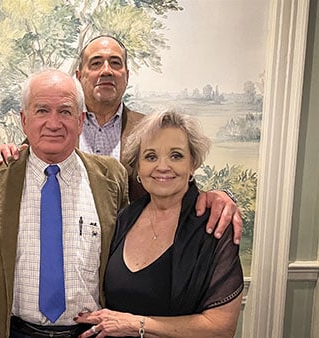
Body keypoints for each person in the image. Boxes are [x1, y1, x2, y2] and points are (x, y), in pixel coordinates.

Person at [0, 35, 243, 244]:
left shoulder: (149, 132)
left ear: (127, 76)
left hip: (131, 266)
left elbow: (179, 184)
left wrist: (220, 194)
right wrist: (5, 152)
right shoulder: (57, 130)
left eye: (115, 63)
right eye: (96, 63)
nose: (106, 70)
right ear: (79, 76)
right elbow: (26, 166)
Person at [0, 69, 130, 337]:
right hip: (14, 331)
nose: (54, 123)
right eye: (42, 111)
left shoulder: (111, 177)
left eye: (65, 112)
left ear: (80, 120)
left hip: (89, 332)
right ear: (24, 120)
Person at [75, 111, 243, 338]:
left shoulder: (215, 225)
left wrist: (136, 324)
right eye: (151, 157)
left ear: (193, 164)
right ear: (138, 167)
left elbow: (220, 328)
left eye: (176, 156)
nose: (163, 166)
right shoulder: (125, 218)